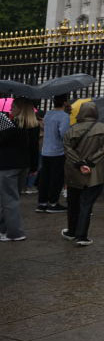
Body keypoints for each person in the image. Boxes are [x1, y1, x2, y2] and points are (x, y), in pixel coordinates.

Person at [61, 102, 104, 246]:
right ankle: (82, 236)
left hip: (74, 171)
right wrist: (89, 162)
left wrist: (79, 163)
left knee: (73, 202)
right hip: (94, 172)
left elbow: (67, 149)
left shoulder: (71, 130)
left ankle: (71, 231)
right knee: (86, 204)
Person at [1, 98, 41, 242]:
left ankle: (15, 233)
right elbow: (34, 148)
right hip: (23, 165)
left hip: (8, 165)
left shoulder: (11, 125)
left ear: (19, 108)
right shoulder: (34, 125)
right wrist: (34, 166)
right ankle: (4, 228)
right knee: (12, 198)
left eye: (13, 106)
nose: (11, 108)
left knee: (8, 199)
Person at [37, 93, 70, 213]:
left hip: (46, 150)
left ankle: (42, 203)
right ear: (65, 102)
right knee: (56, 178)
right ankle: (53, 203)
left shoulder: (48, 114)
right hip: (58, 151)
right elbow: (64, 134)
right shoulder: (64, 116)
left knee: (45, 178)